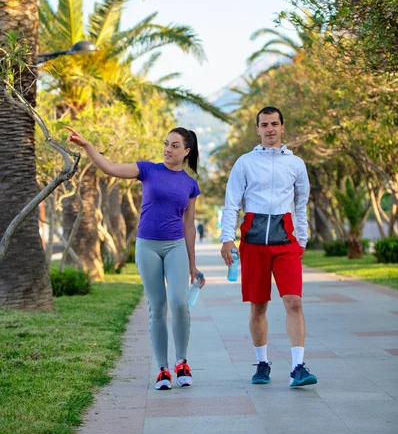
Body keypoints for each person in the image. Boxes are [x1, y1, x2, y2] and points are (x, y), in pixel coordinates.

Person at [66, 125, 206, 390]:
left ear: (187, 151)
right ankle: (163, 369)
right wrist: (87, 146)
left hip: (175, 246)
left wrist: (192, 265)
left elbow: (189, 226)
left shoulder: (190, 184)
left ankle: (182, 362)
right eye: (166, 143)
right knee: (157, 307)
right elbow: (110, 167)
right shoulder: (148, 170)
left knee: (178, 303)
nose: (168, 149)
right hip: (147, 246)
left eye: (175, 145)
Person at [220, 106, 317, 388]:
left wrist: (302, 238)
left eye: (275, 124)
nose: (270, 129)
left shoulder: (296, 163)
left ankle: (298, 367)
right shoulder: (245, 163)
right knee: (258, 307)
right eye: (264, 124)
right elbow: (232, 203)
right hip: (253, 244)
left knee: (294, 302)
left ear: (283, 127)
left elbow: (301, 204)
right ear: (258, 129)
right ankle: (262, 363)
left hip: (286, 242)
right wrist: (227, 238)